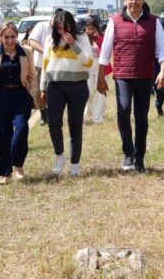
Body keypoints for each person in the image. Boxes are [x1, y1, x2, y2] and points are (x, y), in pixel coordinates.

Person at [97, 0, 164, 173]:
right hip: (122, 76)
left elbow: (162, 50)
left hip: (145, 77)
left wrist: (162, 71)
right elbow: (105, 52)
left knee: (141, 118)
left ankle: (140, 158)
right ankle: (128, 152)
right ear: (125, 1)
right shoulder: (114, 21)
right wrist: (100, 77)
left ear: (143, 0)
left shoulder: (154, 22)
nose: (133, 2)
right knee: (123, 112)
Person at [0, 22, 37, 185]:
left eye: (12, 37)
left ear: (17, 37)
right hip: (0, 98)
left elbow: (32, 75)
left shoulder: (27, 52)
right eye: (6, 37)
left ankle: (18, 164)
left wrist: (32, 95)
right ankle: (5, 172)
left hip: (21, 97)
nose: (10, 40)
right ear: (0, 37)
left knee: (21, 129)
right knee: (3, 136)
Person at [40, 11, 93, 177]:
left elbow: (89, 62)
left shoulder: (82, 39)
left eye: (66, 27)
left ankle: (75, 164)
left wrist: (74, 45)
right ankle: (59, 156)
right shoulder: (50, 40)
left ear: (72, 25)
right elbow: (45, 64)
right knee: (54, 122)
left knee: (75, 125)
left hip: (78, 86)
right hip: (55, 86)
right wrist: (43, 87)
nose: (63, 31)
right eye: (59, 28)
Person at [29, 11, 61, 125]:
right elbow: (31, 41)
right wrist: (46, 51)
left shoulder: (61, 29)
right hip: (40, 64)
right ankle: (43, 111)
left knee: (54, 91)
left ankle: (53, 113)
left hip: (56, 66)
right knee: (38, 91)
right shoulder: (41, 26)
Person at [84, 19, 108, 123]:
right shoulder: (83, 38)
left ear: (97, 28)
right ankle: (88, 111)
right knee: (87, 92)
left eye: (92, 28)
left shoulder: (102, 37)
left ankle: (98, 117)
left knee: (101, 93)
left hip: (101, 68)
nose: (90, 31)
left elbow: (106, 51)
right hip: (88, 69)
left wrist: (98, 39)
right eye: (88, 28)